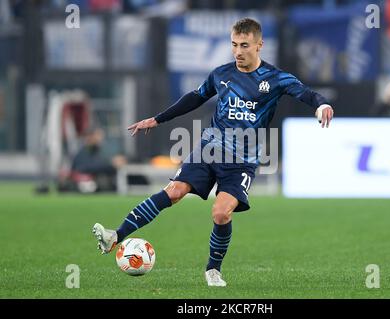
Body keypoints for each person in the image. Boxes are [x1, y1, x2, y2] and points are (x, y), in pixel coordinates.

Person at [92, 18, 334, 287]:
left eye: (244, 45)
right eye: (234, 45)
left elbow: (308, 94)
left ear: (259, 45)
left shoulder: (276, 79)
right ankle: (116, 235)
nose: (238, 51)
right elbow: (195, 97)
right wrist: (157, 119)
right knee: (174, 192)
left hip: (242, 161)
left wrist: (320, 106)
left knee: (221, 214)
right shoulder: (222, 74)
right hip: (208, 150)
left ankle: (213, 270)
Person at [71, 127, 127, 192]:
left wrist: (117, 162)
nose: (100, 139)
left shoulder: (100, 150)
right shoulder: (83, 151)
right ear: (90, 137)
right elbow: (84, 167)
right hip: (84, 183)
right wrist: (111, 164)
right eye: (97, 135)